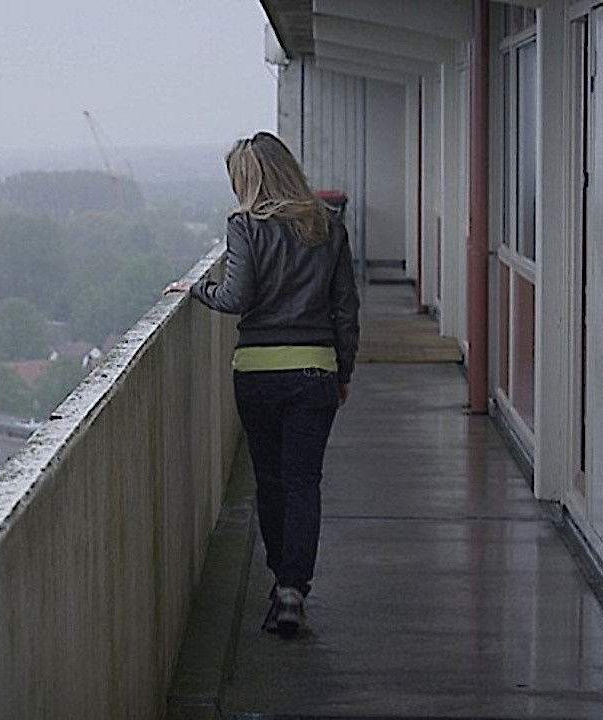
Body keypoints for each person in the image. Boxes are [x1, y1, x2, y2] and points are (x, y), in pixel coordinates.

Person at [164, 131, 359, 639]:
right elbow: (345, 308)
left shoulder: (244, 226)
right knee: (303, 483)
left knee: (270, 483)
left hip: (258, 372)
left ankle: (280, 581)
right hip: (316, 369)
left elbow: (235, 296)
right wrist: (344, 371)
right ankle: (294, 588)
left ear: (248, 180)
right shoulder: (328, 226)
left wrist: (197, 289)